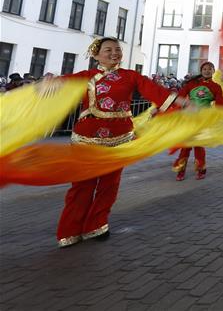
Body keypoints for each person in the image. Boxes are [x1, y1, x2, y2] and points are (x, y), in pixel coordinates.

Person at [53, 37, 185, 247]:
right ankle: (69, 230)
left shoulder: (130, 76)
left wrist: (178, 101)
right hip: (86, 138)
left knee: (109, 184)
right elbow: (61, 83)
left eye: (117, 49)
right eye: (108, 50)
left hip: (119, 138)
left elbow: (154, 91)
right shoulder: (86, 76)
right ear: (96, 55)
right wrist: (49, 82)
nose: (114, 53)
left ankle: (96, 225)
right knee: (81, 185)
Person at [173, 61, 223, 180]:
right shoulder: (191, 83)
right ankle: (180, 171)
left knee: (199, 146)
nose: (207, 71)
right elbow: (179, 97)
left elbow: (220, 104)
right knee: (185, 146)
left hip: (202, 121)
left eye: (210, 69)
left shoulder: (216, 87)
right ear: (201, 71)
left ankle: (201, 170)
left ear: (213, 71)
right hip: (189, 119)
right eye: (204, 69)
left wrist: (220, 118)